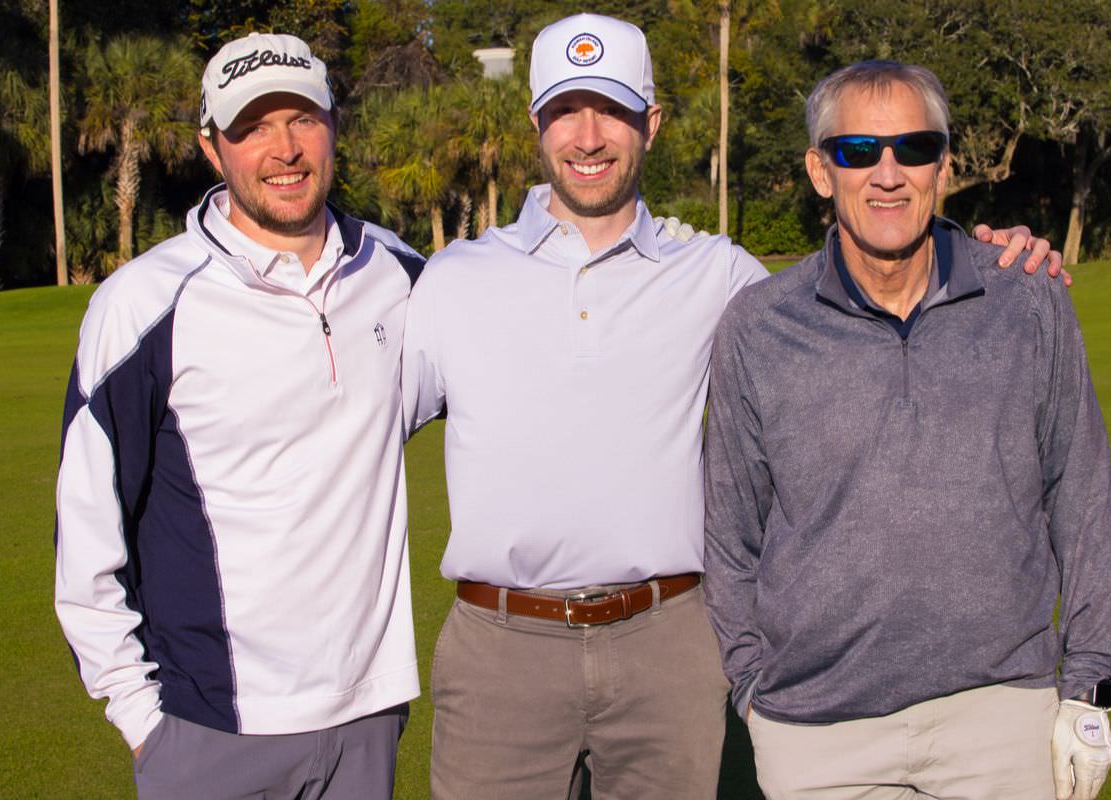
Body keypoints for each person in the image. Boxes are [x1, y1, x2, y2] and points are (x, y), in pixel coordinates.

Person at [403, 16, 1067, 799]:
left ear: (650, 123)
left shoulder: (718, 274)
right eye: (566, 111)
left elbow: (865, 272)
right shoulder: (453, 280)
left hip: (670, 643)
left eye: (612, 110)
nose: (589, 136)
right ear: (537, 124)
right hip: (500, 647)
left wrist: (982, 248)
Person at [704, 60, 1111, 800]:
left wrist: (1090, 687)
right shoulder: (760, 325)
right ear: (819, 169)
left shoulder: (1027, 299)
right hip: (817, 735)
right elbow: (729, 533)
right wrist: (750, 686)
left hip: (1001, 719)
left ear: (945, 165)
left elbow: (1083, 497)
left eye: (914, 148)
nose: (888, 173)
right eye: (859, 151)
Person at [54, 33, 424, 799]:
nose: (283, 149)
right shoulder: (143, 305)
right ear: (211, 148)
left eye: (301, 119)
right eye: (252, 127)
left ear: (333, 125)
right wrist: (143, 719)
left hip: (368, 720)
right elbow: (86, 536)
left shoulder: (399, 273)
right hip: (207, 730)